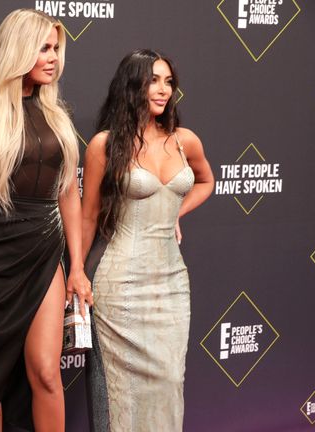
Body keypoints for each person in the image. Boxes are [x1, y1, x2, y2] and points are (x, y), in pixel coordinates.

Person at [0, 9, 91, 432]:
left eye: (56, 49)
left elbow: (68, 193)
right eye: (43, 48)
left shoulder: (58, 118)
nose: (53, 58)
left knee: (47, 372)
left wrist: (78, 267)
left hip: (44, 252)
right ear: (18, 50)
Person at [81, 49, 214, 431]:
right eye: (153, 80)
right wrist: (76, 271)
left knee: (171, 382)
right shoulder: (104, 146)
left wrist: (176, 212)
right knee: (121, 391)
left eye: (169, 82)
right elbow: (88, 214)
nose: (163, 90)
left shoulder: (184, 140)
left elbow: (207, 181)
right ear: (132, 84)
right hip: (119, 284)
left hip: (171, 283)